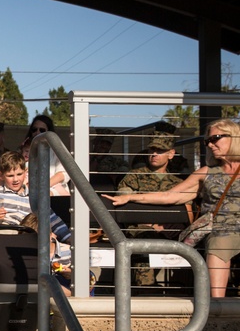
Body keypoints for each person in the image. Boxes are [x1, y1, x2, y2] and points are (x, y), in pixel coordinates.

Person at [107, 119, 240, 298]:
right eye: (207, 141)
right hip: (220, 230)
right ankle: (217, 307)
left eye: (215, 138)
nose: (210, 144)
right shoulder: (206, 172)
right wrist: (130, 196)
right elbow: (169, 196)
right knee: (221, 241)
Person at [116, 130, 184, 286]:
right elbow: (125, 204)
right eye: (151, 150)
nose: (154, 154)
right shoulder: (134, 176)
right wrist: (152, 225)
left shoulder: (178, 182)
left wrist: (167, 226)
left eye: (160, 151)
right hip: (140, 229)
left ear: (171, 154)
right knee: (146, 239)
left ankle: (182, 289)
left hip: (170, 230)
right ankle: (146, 289)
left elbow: (186, 210)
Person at [24, 115, 70, 195]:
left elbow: (63, 174)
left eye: (42, 130)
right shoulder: (24, 150)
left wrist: (42, 188)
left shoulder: (58, 150)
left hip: (53, 192)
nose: (37, 132)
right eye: (34, 129)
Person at [89, 127, 129, 192]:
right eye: (102, 142)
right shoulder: (84, 158)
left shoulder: (116, 162)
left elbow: (125, 172)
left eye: (108, 144)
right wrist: (96, 158)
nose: (104, 146)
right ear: (95, 142)